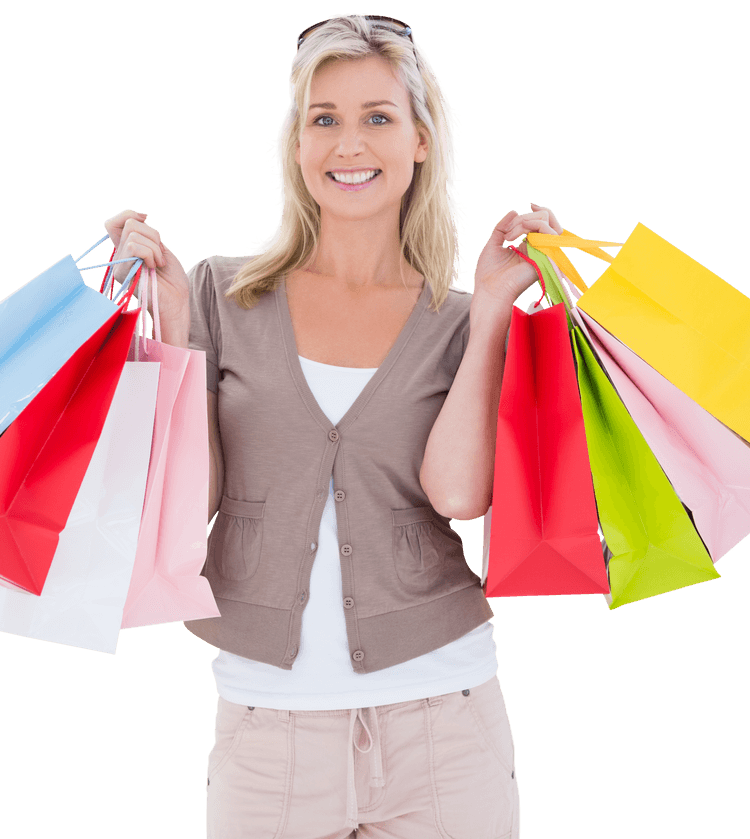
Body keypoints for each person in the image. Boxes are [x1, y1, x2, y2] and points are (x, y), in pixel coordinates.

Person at [102, 14, 562, 838]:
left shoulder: (458, 320)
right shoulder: (218, 293)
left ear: (420, 141)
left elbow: (459, 495)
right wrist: (171, 322)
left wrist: (495, 305)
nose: (350, 144)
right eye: (325, 118)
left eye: (377, 117)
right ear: (296, 142)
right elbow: (190, 501)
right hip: (267, 732)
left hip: (445, 720)